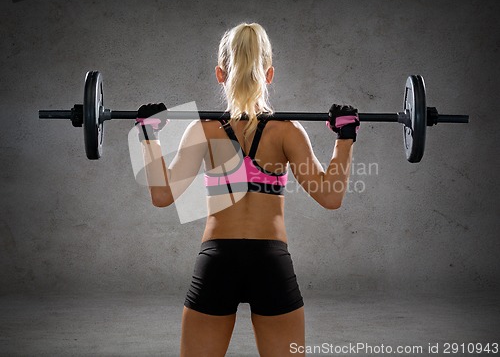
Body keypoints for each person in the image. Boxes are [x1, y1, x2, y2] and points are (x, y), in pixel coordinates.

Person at [135, 22, 359, 357]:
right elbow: (330, 197)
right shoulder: (287, 131)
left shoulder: (204, 130)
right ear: (268, 74)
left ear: (220, 74)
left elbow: (162, 196)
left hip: (217, 261)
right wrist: (345, 138)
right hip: (270, 262)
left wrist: (149, 135)